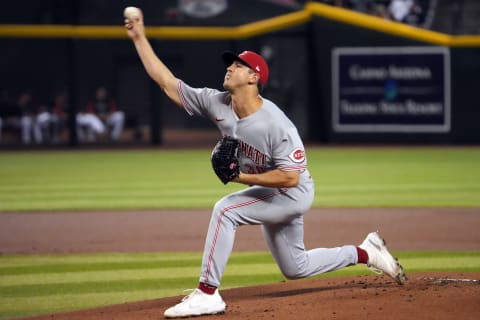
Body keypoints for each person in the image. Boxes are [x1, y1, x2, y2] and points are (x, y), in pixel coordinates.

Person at [125, 8, 406, 318]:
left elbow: (290, 179)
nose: (230, 68)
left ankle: (207, 293)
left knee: (226, 210)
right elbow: (167, 82)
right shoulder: (217, 102)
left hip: (292, 193)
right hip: (269, 189)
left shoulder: (277, 124)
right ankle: (367, 252)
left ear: (254, 77)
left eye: (238, 65)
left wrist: (240, 177)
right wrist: (140, 38)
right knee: (295, 267)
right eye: (230, 64)